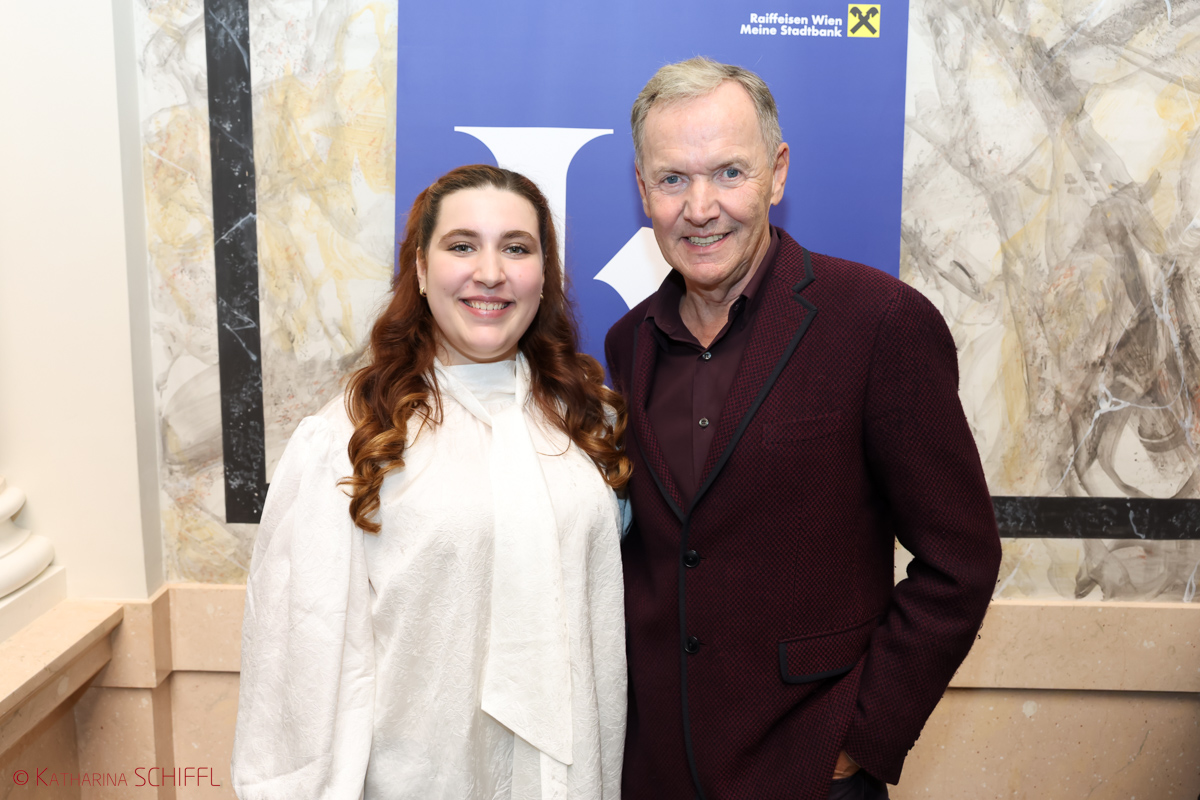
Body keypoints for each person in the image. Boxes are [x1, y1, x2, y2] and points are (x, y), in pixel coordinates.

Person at [604, 57, 1002, 800]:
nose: (700, 207)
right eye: (672, 179)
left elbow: (962, 559)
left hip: (810, 776)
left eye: (729, 173)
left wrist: (856, 742)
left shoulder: (880, 322)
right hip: (656, 772)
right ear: (642, 190)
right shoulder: (628, 344)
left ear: (777, 173)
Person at [232, 164, 631, 800]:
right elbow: (301, 662)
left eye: (517, 249)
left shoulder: (588, 423)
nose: (491, 273)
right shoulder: (348, 439)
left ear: (544, 276)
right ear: (420, 269)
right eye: (462, 245)